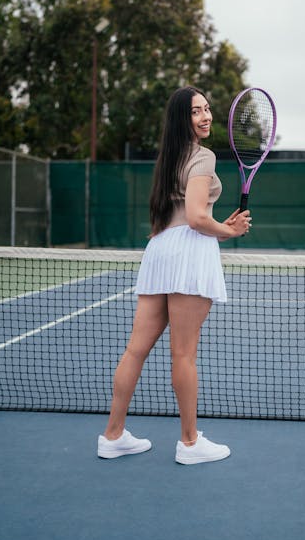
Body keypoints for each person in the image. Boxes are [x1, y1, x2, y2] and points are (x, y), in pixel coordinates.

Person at [97, 86, 252, 464]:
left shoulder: (170, 158)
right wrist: (228, 230)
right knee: (183, 354)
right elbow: (198, 219)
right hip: (188, 253)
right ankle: (189, 442)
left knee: (136, 348)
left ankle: (112, 436)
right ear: (181, 119)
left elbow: (186, 215)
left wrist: (218, 224)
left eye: (207, 108)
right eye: (195, 111)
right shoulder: (203, 157)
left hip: (161, 249)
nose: (206, 116)